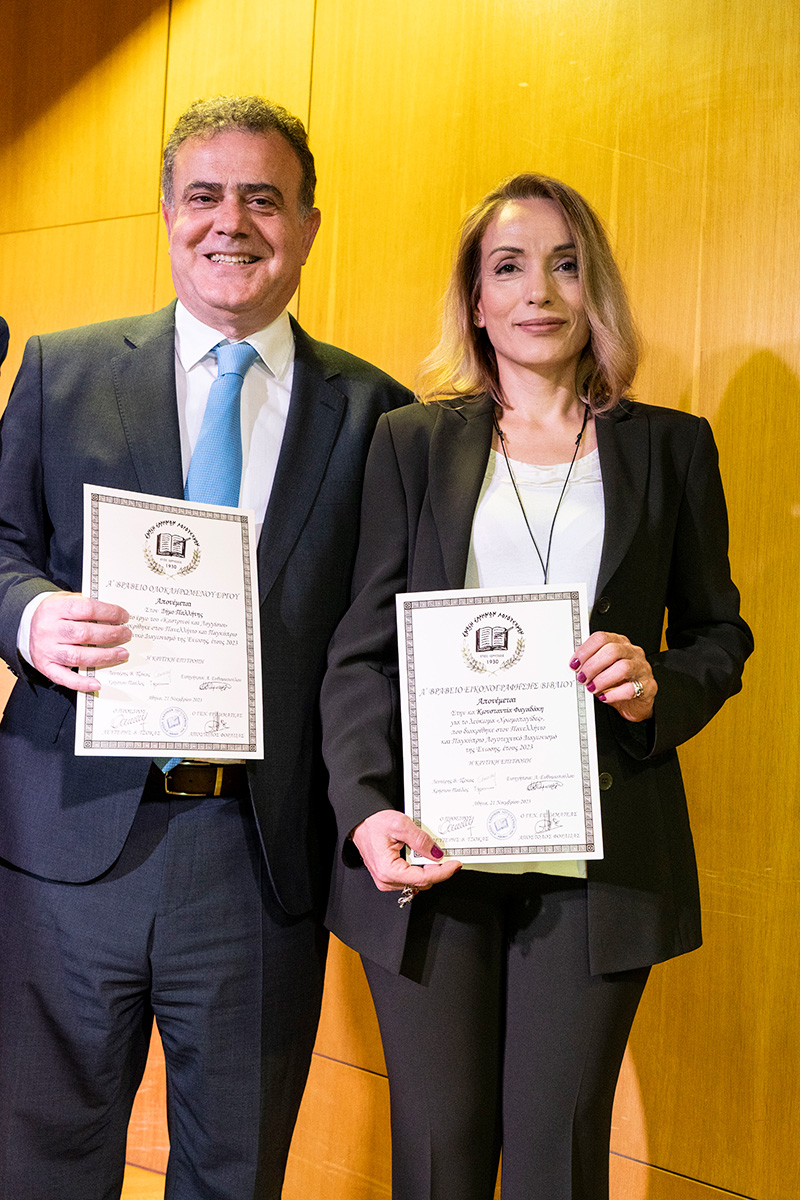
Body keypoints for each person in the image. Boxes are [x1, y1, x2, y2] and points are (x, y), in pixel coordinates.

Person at [0, 95, 410, 1199]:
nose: (232, 222)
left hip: (258, 856)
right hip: (66, 842)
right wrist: (30, 615)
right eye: (205, 195)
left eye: (264, 199)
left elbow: (379, 639)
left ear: (308, 225)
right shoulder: (62, 371)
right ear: (168, 214)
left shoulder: (379, 413)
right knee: (37, 1167)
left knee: (234, 1174)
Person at [321, 173, 753, 1200]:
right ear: (475, 300)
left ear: (594, 287)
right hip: (433, 851)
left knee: (558, 1157)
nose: (539, 291)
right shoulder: (410, 442)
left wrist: (654, 686)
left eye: (565, 264)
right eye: (508, 267)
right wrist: (365, 809)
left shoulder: (671, 448)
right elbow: (360, 653)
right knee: (438, 1154)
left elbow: (717, 635)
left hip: (597, 863)